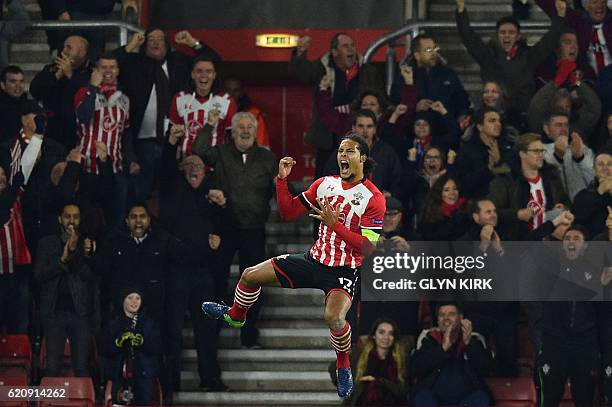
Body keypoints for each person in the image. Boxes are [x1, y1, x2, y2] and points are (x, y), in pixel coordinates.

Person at [202, 133, 386, 398]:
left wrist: (335, 225)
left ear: (363, 158)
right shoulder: (325, 184)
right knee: (249, 275)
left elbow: (368, 248)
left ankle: (343, 365)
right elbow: (288, 212)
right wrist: (281, 180)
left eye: (349, 151)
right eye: (340, 151)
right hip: (313, 260)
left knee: (334, 318)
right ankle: (236, 316)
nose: (342, 156)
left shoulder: (373, 198)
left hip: (343, 270)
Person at [192, 111, 276, 348]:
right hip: (225, 228)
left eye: (250, 126)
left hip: (254, 230)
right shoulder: (219, 152)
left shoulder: (266, 157)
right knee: (218, 280)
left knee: (253, 284)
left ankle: (249, 335)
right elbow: (198, 152)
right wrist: (209, 126)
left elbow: (279, 187)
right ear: (233, 131)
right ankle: (215, 331)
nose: (246, 131)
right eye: (241, 127)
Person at [114, 29, 221, 203]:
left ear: (167, 45)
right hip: (142, 142)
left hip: (174, 142)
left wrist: (192, 42)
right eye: (150, 40)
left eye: (160, 40)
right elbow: (107, 65)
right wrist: (129, 46)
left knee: (172, 191)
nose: (155, 43)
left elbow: (214, 62)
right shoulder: (134, 64)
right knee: (140, 192)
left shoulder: (179, 63)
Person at [160, 126, 226, 394]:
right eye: (188, 165)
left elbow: (227, 226)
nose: (193, 168)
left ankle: (210, 378)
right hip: (176, 272)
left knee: (207, 331)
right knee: (173, 331)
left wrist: (221, 214)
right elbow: (166, 167)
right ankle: (170, 382)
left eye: (198, 165)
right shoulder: (173, 187)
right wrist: (170, 143)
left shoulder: (211, 194)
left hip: (202, 273)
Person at [456, 0, 565, 129]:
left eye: (511, 32)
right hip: (493, 117)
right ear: (497, 36)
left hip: (523, 119)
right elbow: (468, 37)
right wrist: (461, 11)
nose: (506, 36)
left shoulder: (529, 56)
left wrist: (560, 16)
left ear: (518, 36)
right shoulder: (487, 57)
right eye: (502, 32)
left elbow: (549, 41)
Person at [288, 33, 384, 177]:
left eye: (352, 45)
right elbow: (299, 73)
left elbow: (380, 100)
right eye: (345, 46)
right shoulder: (321, 67)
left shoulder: (368, 71)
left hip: (358, 133)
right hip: (328, 137)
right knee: (325, 178)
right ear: (334, 52)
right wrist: (299, 53)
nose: (351, 49)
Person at [74, 53, 139, 225]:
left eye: (112, 67)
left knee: (116, 221)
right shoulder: (83, 93)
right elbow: (83, 117)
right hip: (88, 169)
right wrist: (94, 89)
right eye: (104, 67)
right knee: (87, 220)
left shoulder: (124, 99)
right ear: (96, 70)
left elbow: (125, 134)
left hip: (115, 170)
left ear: (118, 70)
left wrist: (131, 160)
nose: (108, 71)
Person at [34, 203, 95, 376]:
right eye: (68, 216)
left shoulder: (87, 245)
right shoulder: (46, 243)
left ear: (80, 219)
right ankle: (52, 402)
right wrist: (62, 259)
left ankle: (82, 403)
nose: (71, 221)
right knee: (53, 365)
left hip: (80, 313)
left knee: (82, 366)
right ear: (60, 219)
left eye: (75, 216)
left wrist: (80, 253)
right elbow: (39, 275)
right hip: (53, 313)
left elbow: (90, 277)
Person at [488, 133, 570, 240]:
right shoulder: (506, 181)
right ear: (522, 154)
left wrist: (563, 207)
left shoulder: (552, 177)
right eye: (536, 151)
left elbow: (566, 201)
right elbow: (491, 213)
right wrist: (517, 214)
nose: (541, 155)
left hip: (549, 242)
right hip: (519, 243)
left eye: (542, 151)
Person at [409, 302, 492, 406]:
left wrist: (469, 344)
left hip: (465, 399)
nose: (446, 318)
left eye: (451, 314)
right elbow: (416, 369)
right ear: (438, 320)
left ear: (461, 318)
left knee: (481, 398)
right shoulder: (429, 340)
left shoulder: (474, 340)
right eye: (442, 315)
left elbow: (485, 369)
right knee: (422, 397)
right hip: (435, 399)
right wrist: (443, 348)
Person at [169, 54, 237, 160]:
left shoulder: (227, 101)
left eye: (208, 71)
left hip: (214, 166)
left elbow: (232, 138)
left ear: (214, 75)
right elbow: (172, 135)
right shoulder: (179, 98)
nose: (204, 75)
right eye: (199, 71)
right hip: (185, 165)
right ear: (192, 74)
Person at [101, 288, 161, 406]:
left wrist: (143, 342)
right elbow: (104, 349)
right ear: (123, 300)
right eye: (130, 298)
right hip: (119, 375)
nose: (134, 302)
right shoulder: (113, 323)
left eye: (137, 298)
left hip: (144, 375)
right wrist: (118, 343)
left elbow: (158, 347)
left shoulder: (149, 323)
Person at [30, 35, 91, 151]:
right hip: (51, 131)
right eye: (64, 47)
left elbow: (87, 95)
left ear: (82, 53)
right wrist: (57, 76)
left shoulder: (90, 73)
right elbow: (34, 90)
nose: (64, 51)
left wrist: (70, 76)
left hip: (76, 133)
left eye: (69, 48)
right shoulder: (52, 69)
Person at [328, 318, 409, 406]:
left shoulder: (401, 359)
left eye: (390, 334)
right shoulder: (359, 354)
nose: (386, 337)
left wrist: (378, 382)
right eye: (381, 332)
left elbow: (403, 390)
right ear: (374, 335)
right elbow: (334, 368)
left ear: (394, 338)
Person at [539, 110, 594, 201]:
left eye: (566, 125)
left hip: (584, 205)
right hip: (556, 206)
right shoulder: (539, 150)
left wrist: (580, 158)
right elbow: (546, 178)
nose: (564, 129)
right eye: (558, 125)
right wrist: (557, 157)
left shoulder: (579, 146)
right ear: (546, 129)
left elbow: (594, 178)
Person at [573, 151, 612, 238]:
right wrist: (599, 192)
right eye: (601, 164)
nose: (605, 168)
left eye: (609, 164)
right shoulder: (582, 196)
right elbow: (579, 217)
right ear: (594, 171)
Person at [224, 75, 270, 148]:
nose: (231, 94)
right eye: (228, 90)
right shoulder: (215, 112)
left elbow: (262, 145)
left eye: (236, 90)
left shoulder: (254, 114)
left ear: (242, 91)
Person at [418, 175, 468, 241]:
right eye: (446, 190)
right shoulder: (431, 213)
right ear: (439, 193)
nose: (452, 193)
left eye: (455, 188)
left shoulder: (466, 209)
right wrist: (452, 222)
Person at [0, 65, 29, 143]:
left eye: (21, 81)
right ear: (2, 85)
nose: (18, 86)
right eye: (13, 81)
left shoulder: (29, 104)